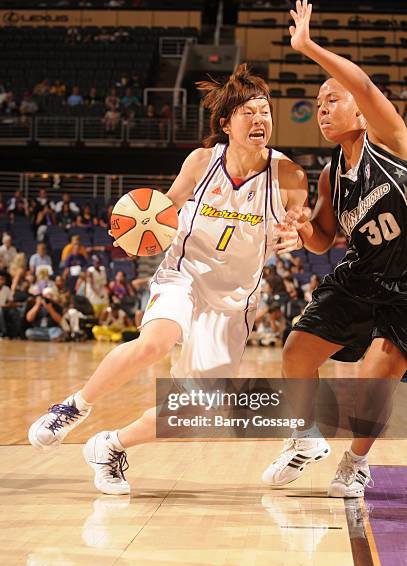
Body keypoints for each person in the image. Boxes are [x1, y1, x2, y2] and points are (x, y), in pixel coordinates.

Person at [28, 63, 308, 495]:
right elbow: (164, 210)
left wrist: (293, 234)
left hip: (232, 303)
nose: (260, 120)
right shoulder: (201, 162)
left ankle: (110, 446)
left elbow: (297, 222)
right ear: (226, 123)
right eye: (249, 112)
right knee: (156, 341)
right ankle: (73, 407)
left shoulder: (288, 175)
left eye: (265, 111)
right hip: (184, 276)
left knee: (196, 412)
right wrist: (132, 228)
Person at [262, 0, 407, 498]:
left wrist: (306, 46)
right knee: (297, 352)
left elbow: (364, 86)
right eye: (319, 104)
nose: (323, 110)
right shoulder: (331, 173)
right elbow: (324, 238)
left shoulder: (390, 142)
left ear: (362, 113)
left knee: (379, 375)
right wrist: (300, 225)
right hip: (362, 273)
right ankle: (304, 437)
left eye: (332, 100)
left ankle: (356, 463)